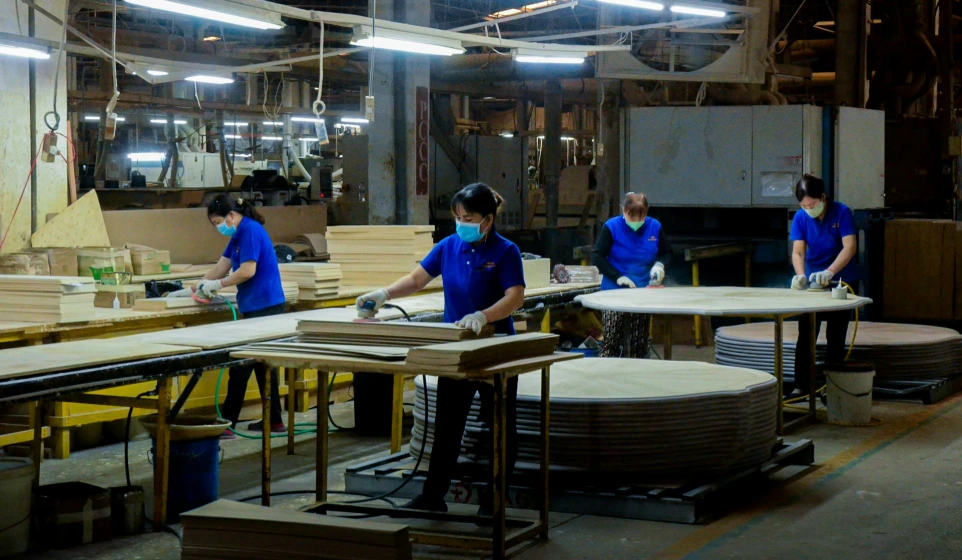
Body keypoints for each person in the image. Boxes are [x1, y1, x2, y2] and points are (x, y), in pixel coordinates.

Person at [356, 183, 526, 513]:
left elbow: (515, 296)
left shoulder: (506, 251)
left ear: (488, 219)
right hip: (456, 348)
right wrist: (384, 294)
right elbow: (417, 279)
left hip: (496, 349)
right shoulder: (448, 246)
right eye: (458, 217)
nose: (462, 224)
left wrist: (483, 316)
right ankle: (433, 497)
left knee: (500, 428)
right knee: (447, 426)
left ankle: (494, 501)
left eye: (469, 218)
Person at [198, 194, 287, 438]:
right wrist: (200, 284)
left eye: (218, 222)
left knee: (240, 365)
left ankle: (227, 425)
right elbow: (221, 267)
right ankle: (275, 420)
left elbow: (247, 270)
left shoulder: (250, 231)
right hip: (257, 306)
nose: (219, 227)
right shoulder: (238, 234)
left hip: (266, 307)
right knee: (263, 365)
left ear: (231, 215)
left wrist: (218, 285)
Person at [789, 174, 858, 396]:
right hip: (814, 284)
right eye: (804, 206)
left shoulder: (842, 212)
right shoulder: (801, 218)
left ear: (823, 197)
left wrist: (830, 272)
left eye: (813, 204)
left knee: (835, 336)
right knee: (806, 335)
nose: (809, 209)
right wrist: (801, 275)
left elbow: (849, 247)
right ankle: (801, 386)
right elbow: (798, 252)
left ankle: (832, 387)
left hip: (841, 281)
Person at [591, 192, 671, 358]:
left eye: (640, 218)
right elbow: (597, 256)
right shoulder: (611, 227)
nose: (635, 223)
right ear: (624, 211)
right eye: (631, 217)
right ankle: (607, 370)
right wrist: (617, 276)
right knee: (611, 341)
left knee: (639, 342)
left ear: (646, 213)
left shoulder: (654, 227)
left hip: (642, 292)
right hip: (614, 292)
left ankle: (637, 370)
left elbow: (668, 253)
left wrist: (660, 265)